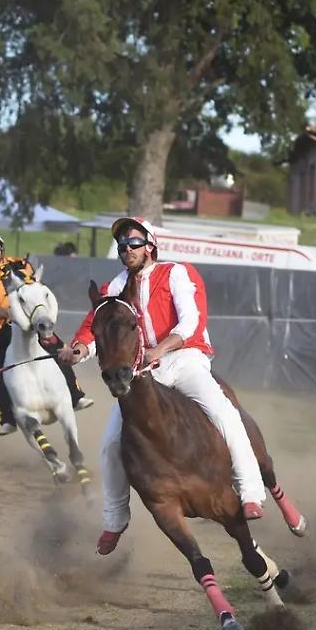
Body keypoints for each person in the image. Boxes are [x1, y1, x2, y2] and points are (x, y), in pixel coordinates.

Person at [58, 217, 267, 556]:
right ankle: (114, 520)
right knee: (111, 444)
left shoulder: (177, 273)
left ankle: (250, 492)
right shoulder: (115, 287)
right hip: (142, 370)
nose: (127, 250)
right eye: (123, 246)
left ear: (150, 245)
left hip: (184, 359)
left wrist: (160, 349)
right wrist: (78, 349)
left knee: (224, 413)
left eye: (134, 243)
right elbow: (92, 327)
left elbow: (190, 321)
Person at [0, 230, 93, 436]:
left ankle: (75, 395)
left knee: (60, 348)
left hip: (31, 323)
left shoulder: (20, 264)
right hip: (3, 328)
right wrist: (7, 312)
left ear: (2, 249)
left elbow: (35, 286)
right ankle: (7, 418)